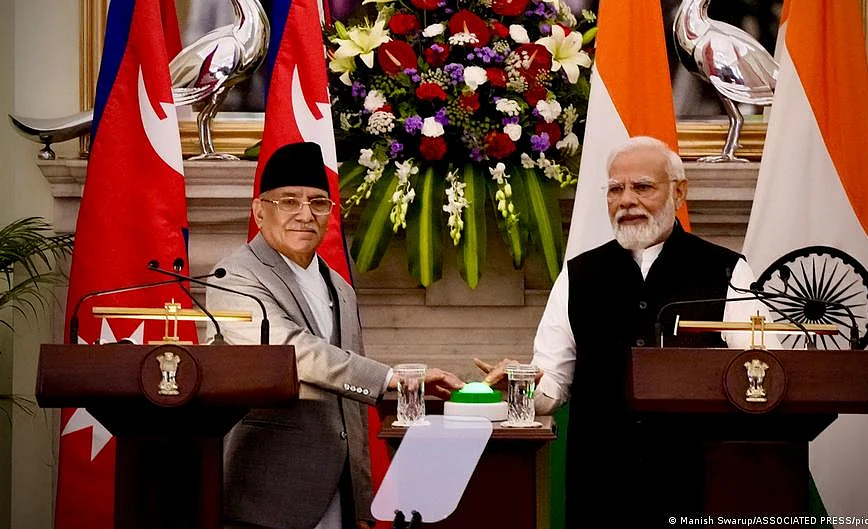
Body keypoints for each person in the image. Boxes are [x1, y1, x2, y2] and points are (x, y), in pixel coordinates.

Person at [476, 136, 779, 526]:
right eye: (616, 189)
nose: (626, 201)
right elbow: (551, 388)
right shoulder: (579, 275)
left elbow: (763, 371)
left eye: (642, 187)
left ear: (679, 192)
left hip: (697, 485)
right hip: (601, 488)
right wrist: (521, 384)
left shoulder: (727, 271)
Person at [205, 142, 463, 529]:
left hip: (337, 493)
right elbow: (290, 352)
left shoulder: (339, 285)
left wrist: (360, 499)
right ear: (259, 211)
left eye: (318, 202)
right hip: (267, 492)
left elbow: (352, 407)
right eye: (289, 202)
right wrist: (392, 377)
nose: (305, 214)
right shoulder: (235, 276)